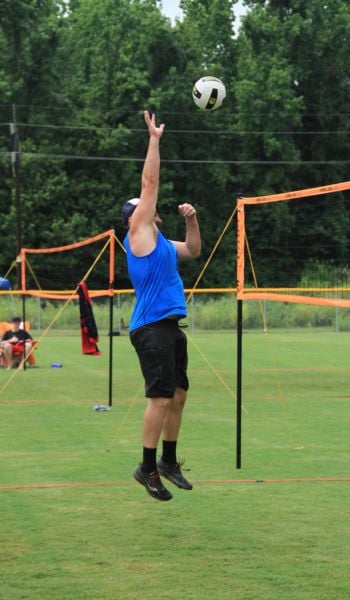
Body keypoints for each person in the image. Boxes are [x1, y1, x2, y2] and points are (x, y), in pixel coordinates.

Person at [121, 111, 201, 501]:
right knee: (160, 398)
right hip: (150, 328)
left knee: (180, 394)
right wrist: (154, 139)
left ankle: (168, 461)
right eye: (144, 206)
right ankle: (147, 466)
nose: (153, 205)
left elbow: (194, 250)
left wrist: (192, 220)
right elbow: (149, 181)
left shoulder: (162, 243)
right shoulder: (139, 233)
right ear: (134, 217)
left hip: (170, 327)